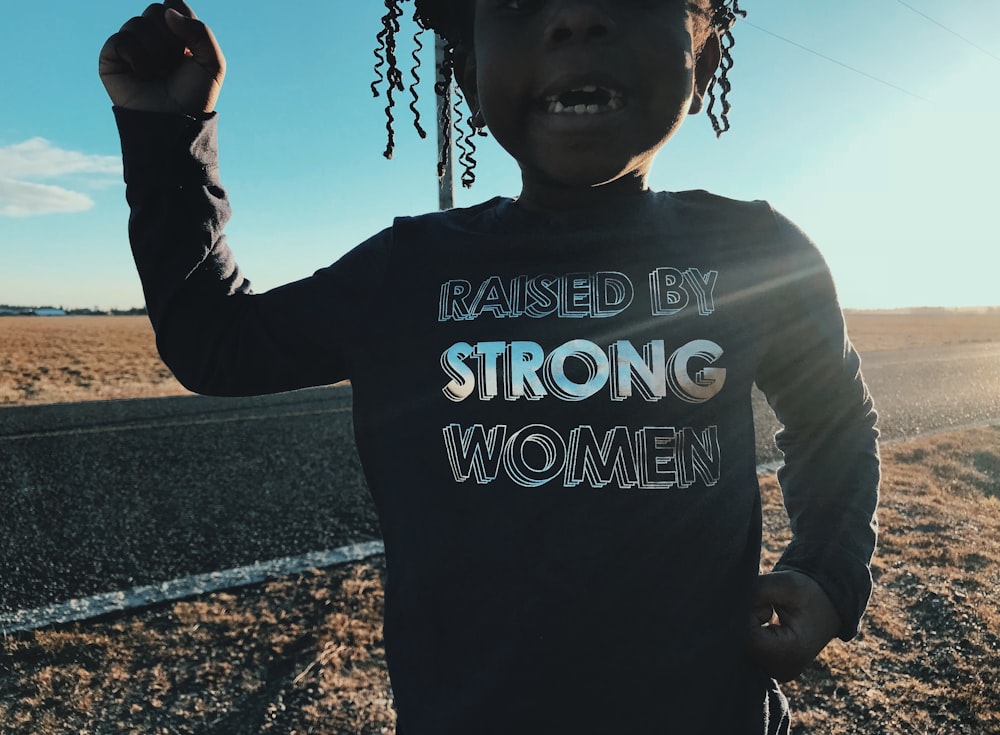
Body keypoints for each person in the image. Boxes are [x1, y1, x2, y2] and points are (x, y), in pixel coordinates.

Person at [99, 1, 880, 732]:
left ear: (703, 57)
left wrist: (827, 570)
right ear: (468, 74)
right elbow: (215, 342)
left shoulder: (757, 254)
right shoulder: (407, 272)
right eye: (516, 2)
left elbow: (835, 418)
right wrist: (167, 133)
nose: (575, 17)